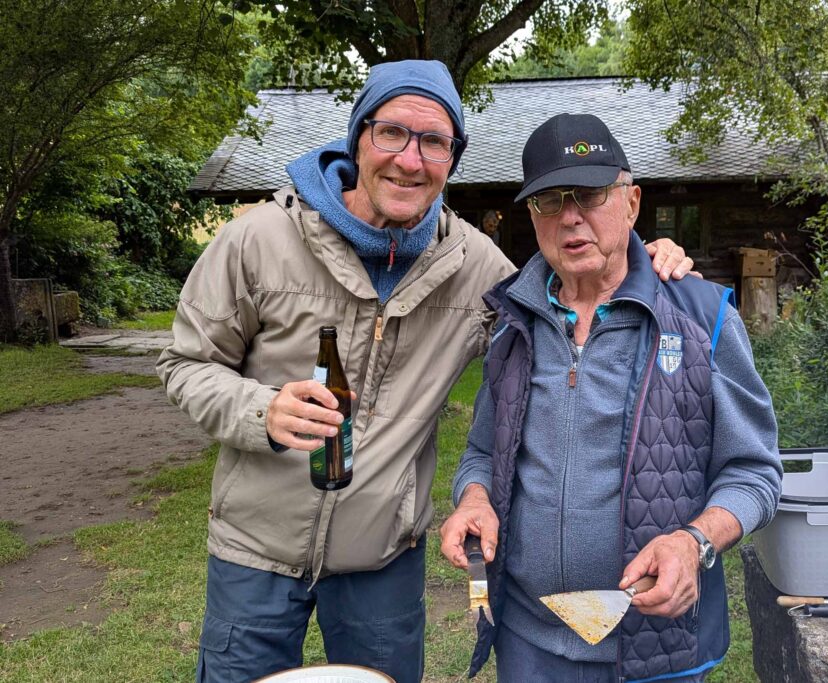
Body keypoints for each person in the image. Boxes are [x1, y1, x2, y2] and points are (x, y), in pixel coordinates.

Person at [157, 62, 694, 683]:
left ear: (452, 160)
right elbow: (186, 363)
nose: (410, 161)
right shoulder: (258, 240)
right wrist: (262, 411)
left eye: (434, 142)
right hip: (254, 548)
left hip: (383, 558)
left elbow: (563, 291)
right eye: (391, 133)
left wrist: (644, 261)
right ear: (358, 138)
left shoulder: (475, 266)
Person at [440, 113, 783, 682]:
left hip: (653, 645)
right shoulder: (513, 323)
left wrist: (693, 542)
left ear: (631, 203)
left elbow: (755, 473)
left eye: (591, 194)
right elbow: (481, 452)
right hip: (528, 645)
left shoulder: (703, 319)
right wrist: (474, 498)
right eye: (550, 200)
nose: (571, 216)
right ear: (532, 216)